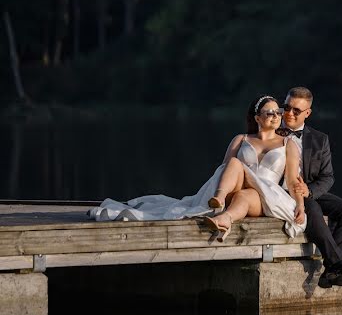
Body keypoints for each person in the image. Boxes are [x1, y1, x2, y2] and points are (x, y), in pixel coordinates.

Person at [89, 95, 307, 242]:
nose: (276, 115)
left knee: (246, 194)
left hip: (264, 197)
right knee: (233, 164)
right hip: (233, 188)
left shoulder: (288, 145)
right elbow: (222, 171)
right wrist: (220, 190)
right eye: (269, 112)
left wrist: (300, 205)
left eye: (277, 112)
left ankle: (225, 218)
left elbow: (292, 180)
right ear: (257, 117)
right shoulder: (241, 139)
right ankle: (219, 203)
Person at [277, 86, 342, 288]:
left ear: (307, 113)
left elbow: (327, 177)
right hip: (279, 191)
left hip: (307, 191)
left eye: (296, 111)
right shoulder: (270, 132)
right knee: (313, 208)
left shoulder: (320, 139)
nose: (289, 113)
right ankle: (340, 264)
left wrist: (310, 191)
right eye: (286, 107)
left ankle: (331, 268)